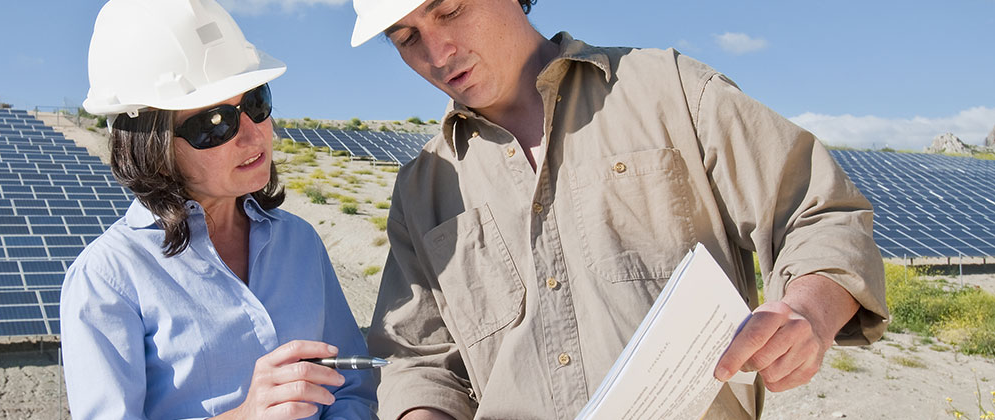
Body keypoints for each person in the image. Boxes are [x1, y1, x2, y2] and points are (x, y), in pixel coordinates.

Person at [349, 0, 889, 418]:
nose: (438, 52)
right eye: (406, 38)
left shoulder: (672, 91)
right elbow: (416, 358)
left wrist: (808, 313)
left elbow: (820, 212)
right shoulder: (423, 189)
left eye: (451, 10)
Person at [60, 1, 377, 419]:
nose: (253, 135)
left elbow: (351, 388)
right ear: (152, 147)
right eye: (214, 123)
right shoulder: (107, 279)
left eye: (257, 104)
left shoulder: (300, 243)